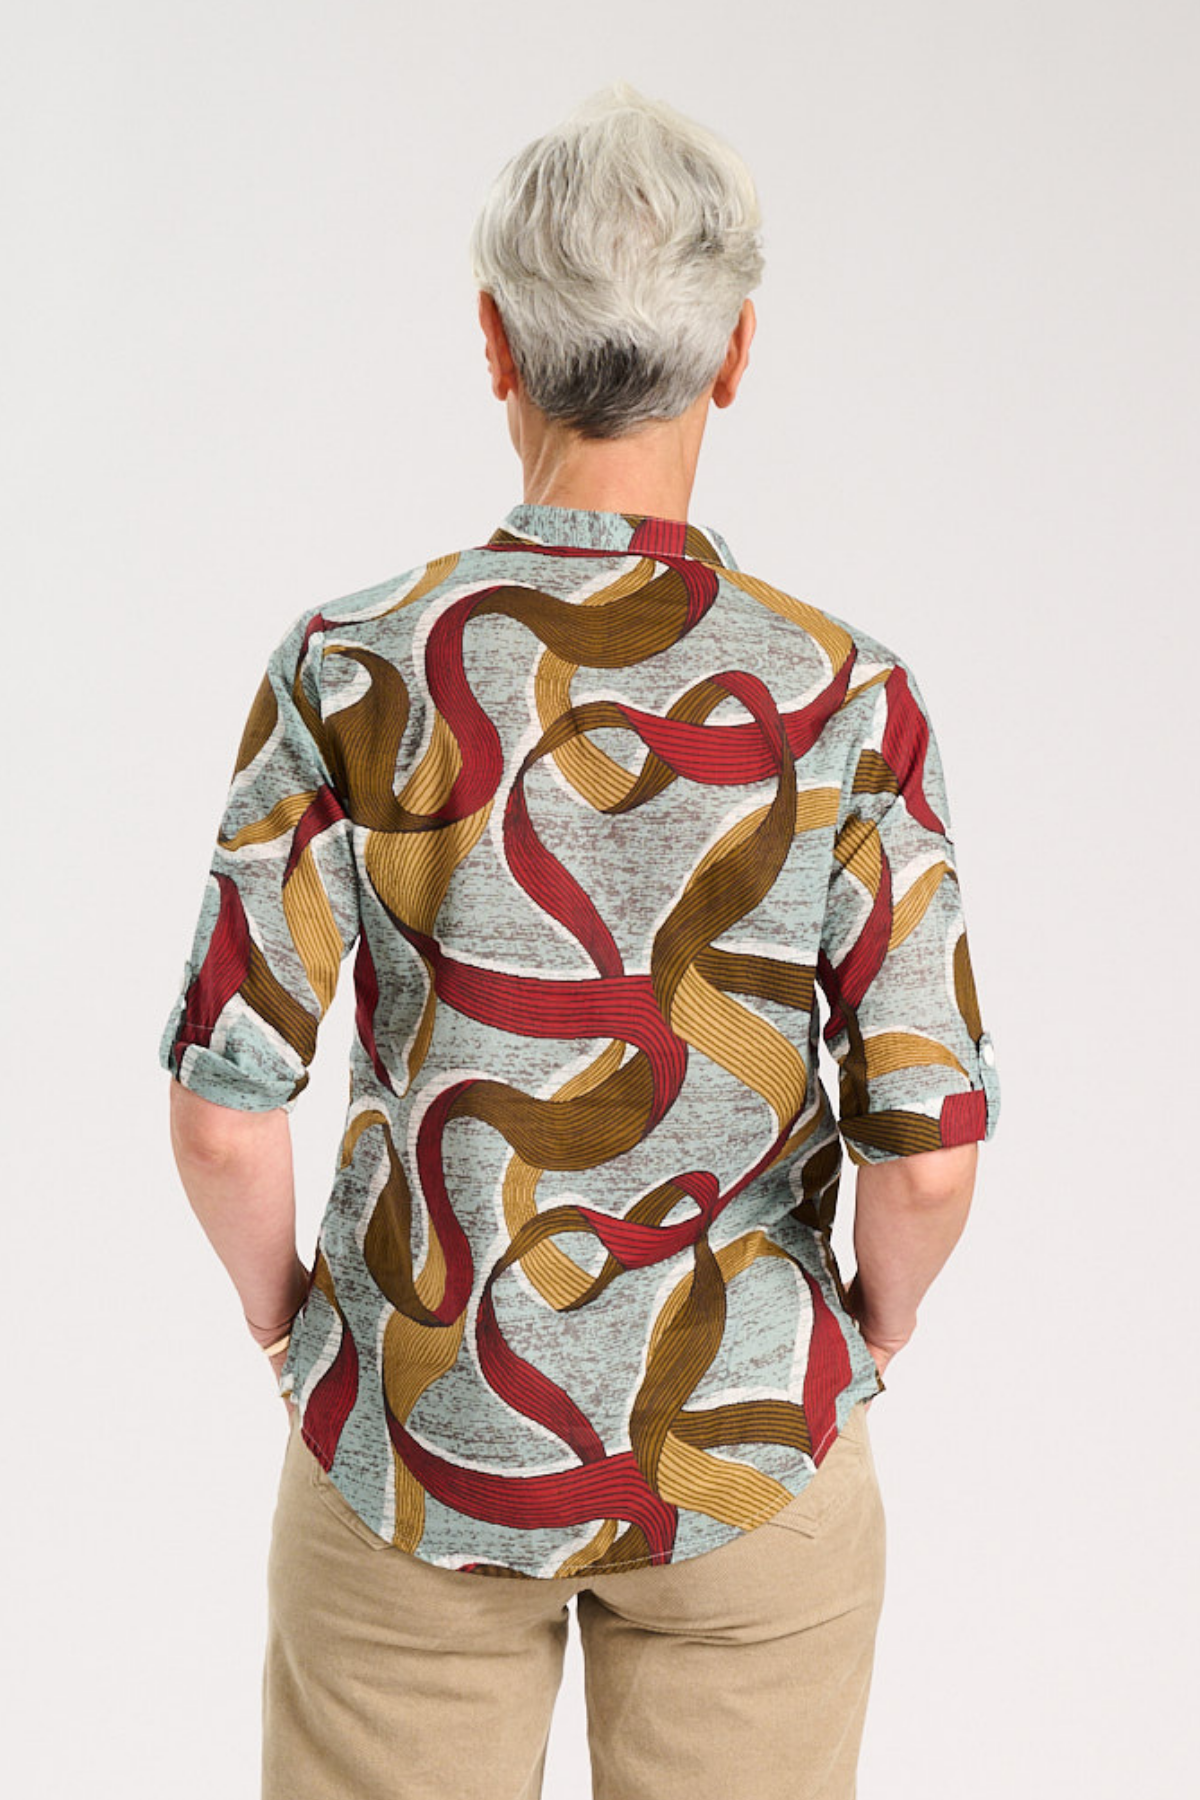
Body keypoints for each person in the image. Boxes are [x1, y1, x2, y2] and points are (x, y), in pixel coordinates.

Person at [159, 78, 1000, 1800]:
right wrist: (866, 1337)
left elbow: (224, 1111)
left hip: (410, 1444)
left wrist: (293, 1336)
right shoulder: (842, 700)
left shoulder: (352, 668)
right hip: (747, 1452)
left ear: (495, 340)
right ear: (736, 353)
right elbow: (927, 1152)